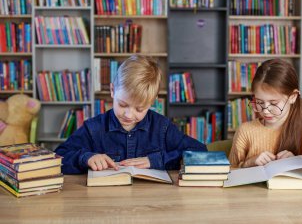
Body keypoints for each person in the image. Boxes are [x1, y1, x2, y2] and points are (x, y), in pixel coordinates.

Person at [55, 55, 207, 174]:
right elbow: (58, 158)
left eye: (139, 109)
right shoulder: (94, 128)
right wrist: (85, 158)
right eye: (122, 104)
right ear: (112, 90)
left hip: (152, 205)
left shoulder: (162, 127)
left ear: (152, 102)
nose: (128, 114)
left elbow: (200, 152)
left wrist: (155, 161)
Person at [229, 59, 302, 168]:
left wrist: (297, 163)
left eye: (274, 103)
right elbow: (228, 173)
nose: (265, 110)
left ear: (293, 97)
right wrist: (247, 164)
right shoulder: (245, 131)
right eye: (259, 102)